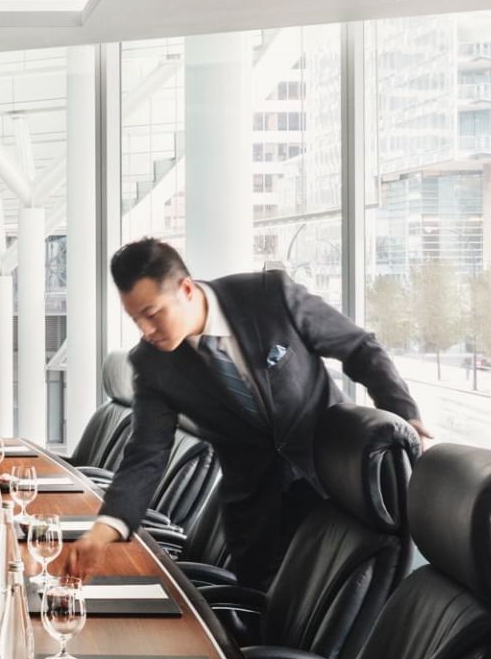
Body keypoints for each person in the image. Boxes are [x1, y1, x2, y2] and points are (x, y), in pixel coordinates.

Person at [66, 239, 430, 586]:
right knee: (257, 624)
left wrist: (404, 420)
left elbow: (359, 348)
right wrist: (102, 533)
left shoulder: (269, 297)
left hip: (337, 487)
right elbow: (145, 456)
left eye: (152, 314)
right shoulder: (153, 364)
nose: (145, 331)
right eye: (135, 320)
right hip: (256, 519)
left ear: (187, 290)